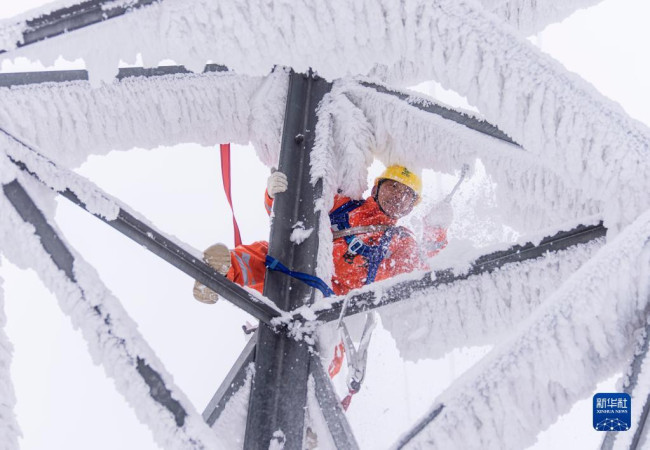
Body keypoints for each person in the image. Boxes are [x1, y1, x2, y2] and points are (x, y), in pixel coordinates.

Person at [193, 164, 451, 303]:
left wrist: (436, 231)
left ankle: (314, 392)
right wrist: (276, 197)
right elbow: (295, 215)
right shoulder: (343, 205)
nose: (398, 197)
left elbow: (421, 265)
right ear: (376, 189)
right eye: (393, 187)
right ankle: (220, 273)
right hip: (300, 266)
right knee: (268, 254)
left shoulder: (399, 239)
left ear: (410, 208)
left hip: (334, 302)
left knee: (328, 346)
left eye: (407, 196)